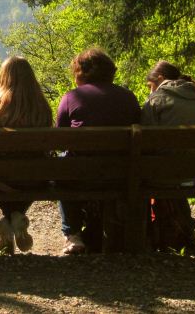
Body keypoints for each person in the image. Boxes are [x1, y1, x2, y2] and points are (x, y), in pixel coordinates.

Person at [56, 48, 141, 254]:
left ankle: (73, 234)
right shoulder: (128, 97)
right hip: (123, 174)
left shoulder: (71, 97)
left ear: (80, 72)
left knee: (60, 167)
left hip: (82, 175)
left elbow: (60, 139)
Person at [0, 56, 53, 254]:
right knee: (28, 173)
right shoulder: (42, 107)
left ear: (3, 77)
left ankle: (9, 218)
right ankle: (17, 216)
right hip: (35, 179)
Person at [142, 60, 195, 250]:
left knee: (144, 171)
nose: (150, 91)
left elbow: (146, 142)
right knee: (169, 167)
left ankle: (152, 232)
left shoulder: (156, 100)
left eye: (150, 86)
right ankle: (183, 229)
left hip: (164, 174)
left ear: (160, 79)